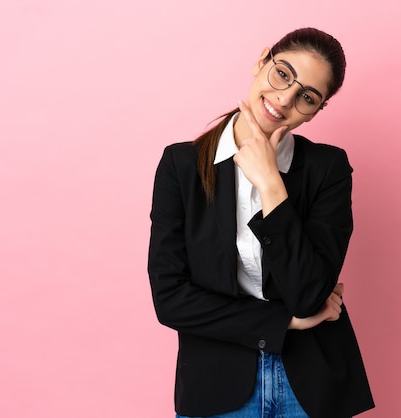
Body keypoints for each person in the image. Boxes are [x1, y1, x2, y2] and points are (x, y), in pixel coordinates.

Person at [148, 27, 374, 418]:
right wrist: (284, 321)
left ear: (317, 111)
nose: (285, 100)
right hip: (216, 383)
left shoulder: (328, 168)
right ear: (262, 60)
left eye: (307, 97)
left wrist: (271, 184)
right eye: (282, 73)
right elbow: (171, 301)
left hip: (311, 386)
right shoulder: (180, 167)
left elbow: (308, 295)